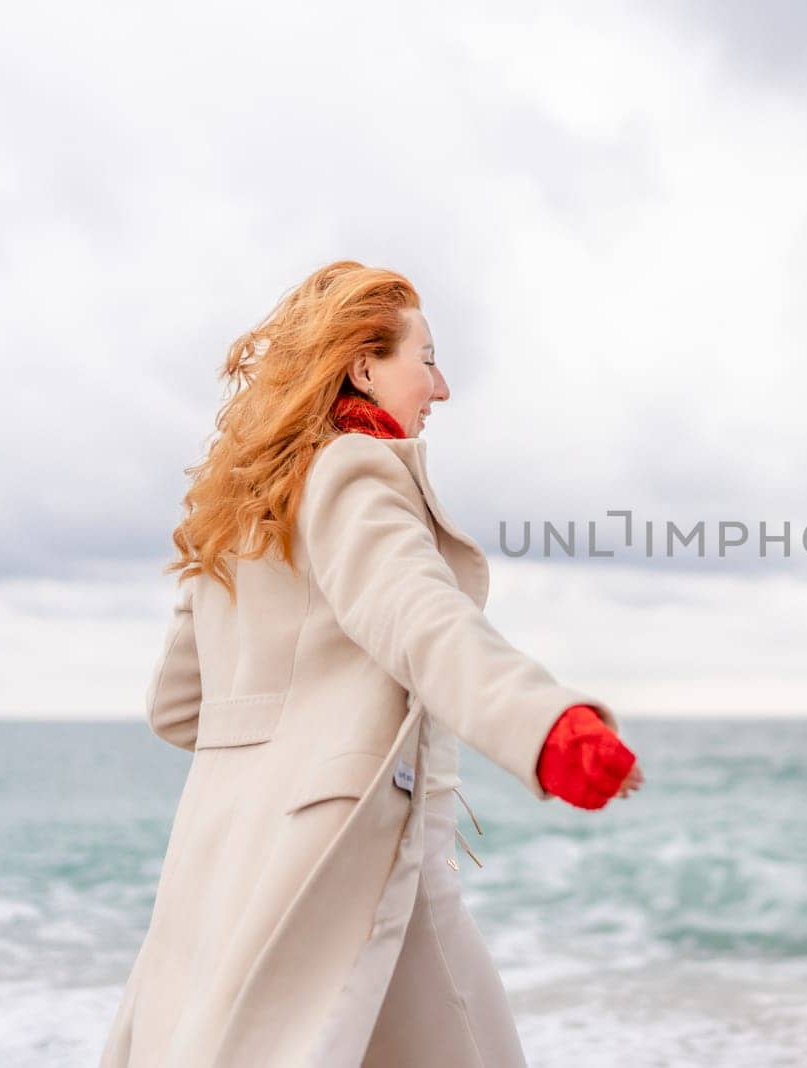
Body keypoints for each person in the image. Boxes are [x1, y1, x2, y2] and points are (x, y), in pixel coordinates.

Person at [101, 260, 640, 1067]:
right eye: (425, 358)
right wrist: (548, 728)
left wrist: (283, 759)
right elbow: (420, 616)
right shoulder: (356, 471)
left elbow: (177, 709)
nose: (442, 386)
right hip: (355, 857)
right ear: (362, 364)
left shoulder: (241, 511)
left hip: (241, 868)